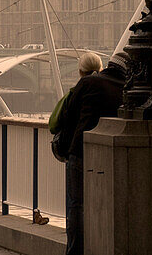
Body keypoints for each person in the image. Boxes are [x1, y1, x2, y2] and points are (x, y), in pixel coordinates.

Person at [55, 52, 128, 255]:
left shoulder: (89, 83)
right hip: (110, 153)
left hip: (80, 150)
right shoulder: (128, 89)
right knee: (106, 205)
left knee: (77, 205)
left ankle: (75, 251)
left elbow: (67, 115)